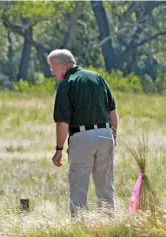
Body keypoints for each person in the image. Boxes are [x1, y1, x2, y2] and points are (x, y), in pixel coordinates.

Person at [48, 49, 118, 218]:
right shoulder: (97, 77)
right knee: (105, 184)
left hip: (82, 136)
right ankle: (109, 224)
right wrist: (113, 137)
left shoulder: (66, 84)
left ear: (64, 65)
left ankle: (80, 226)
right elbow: (112, 111)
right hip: (105, 134)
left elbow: (62, 122)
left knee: (79, 184)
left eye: (53, 67)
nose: (52, 71)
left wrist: (58, 149)